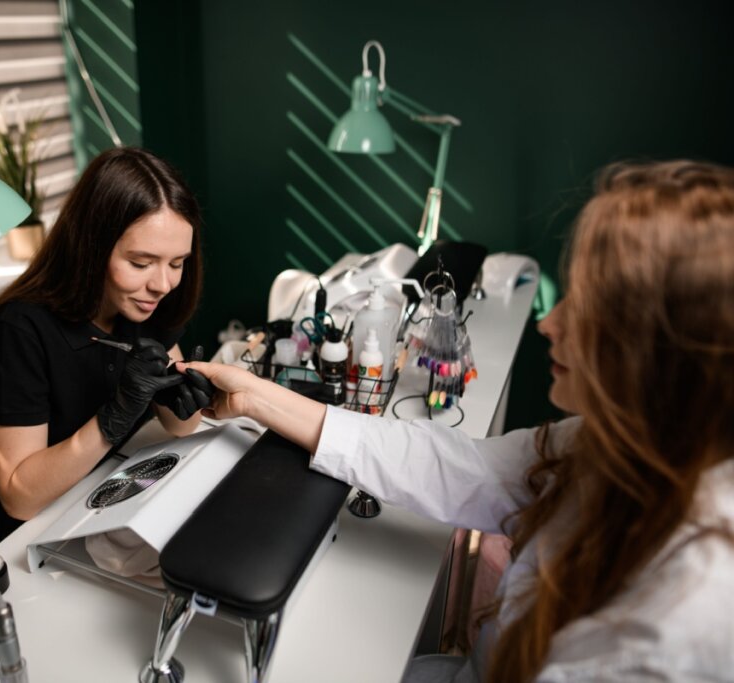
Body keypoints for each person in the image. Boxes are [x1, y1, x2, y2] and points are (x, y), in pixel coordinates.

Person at [179, 160, 734, 681]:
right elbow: (456, 466)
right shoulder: (613, 442)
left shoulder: (684, 618)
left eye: (588, 308)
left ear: (663, 355)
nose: (550, 324)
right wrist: (255, 397)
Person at [0, 147, 214, 607]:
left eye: (177, 263)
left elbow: (180, 426)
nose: (163, 284)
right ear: (92, 246)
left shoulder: (145, 303)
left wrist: (182, 397)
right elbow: (20, 499)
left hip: (82, 511)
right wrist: (114, 418)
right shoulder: (18, 329)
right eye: (141, 263)